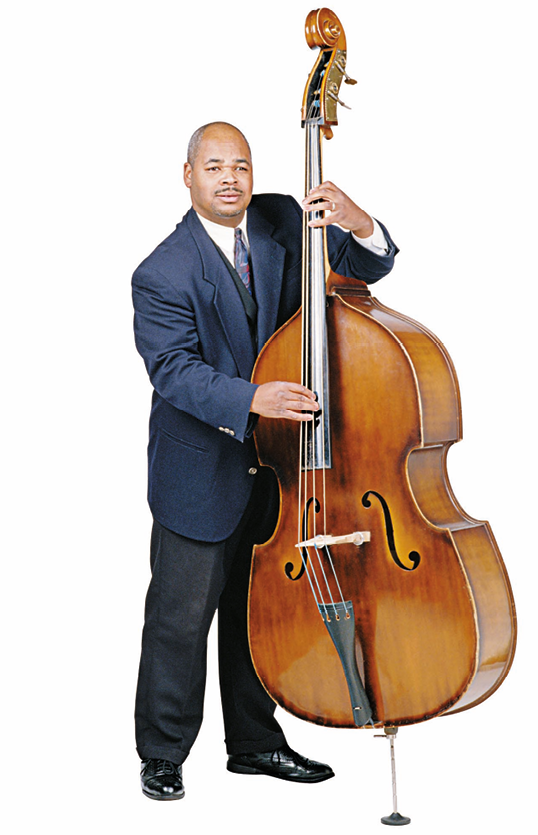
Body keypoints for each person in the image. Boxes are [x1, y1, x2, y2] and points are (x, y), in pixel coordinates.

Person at [131, 121, 398, 800]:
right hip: (201, 469)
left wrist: (357, 219)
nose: (230, 178)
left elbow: (368, 266)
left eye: (241, 165)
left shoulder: (283, 218)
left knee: (259, 613)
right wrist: (255, 397)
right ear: (188, 175)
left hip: (284, 469)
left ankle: (254, 743)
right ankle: (162, 753)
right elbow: (175, 373)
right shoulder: (161, 272)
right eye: (214, 166)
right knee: (180, 618)